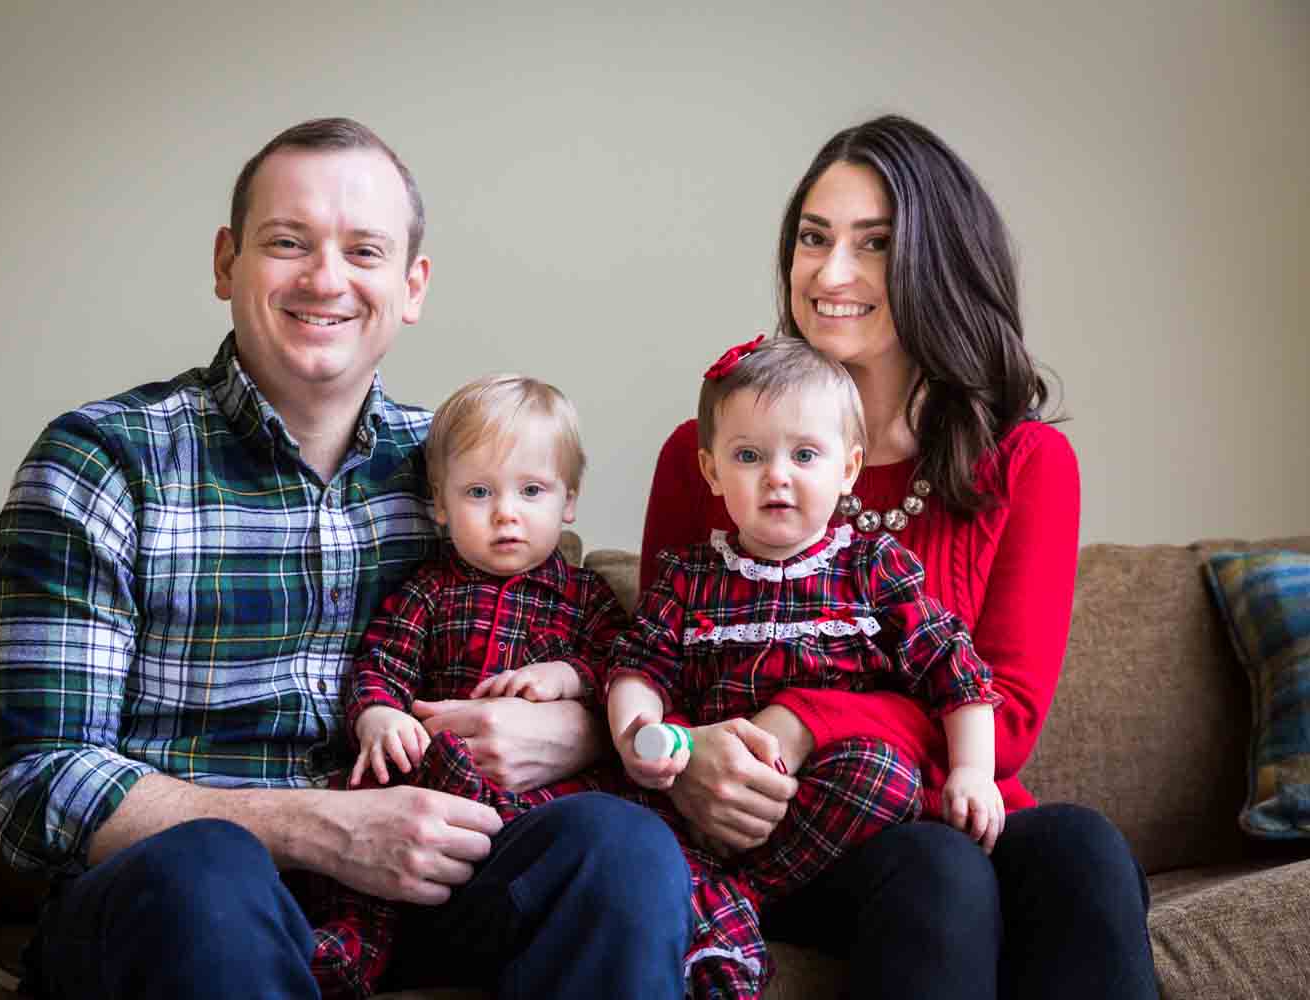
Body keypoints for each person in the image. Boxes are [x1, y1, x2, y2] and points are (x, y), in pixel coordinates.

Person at [0, 117, 690, 1000]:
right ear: (225, 263)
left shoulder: (465, 475)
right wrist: (318, 826)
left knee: (619, 850)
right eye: (287, 243)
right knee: (207, 874)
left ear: (411, 284)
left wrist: (580, 725)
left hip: (421, 893)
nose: (326, 279)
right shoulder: (101, 461)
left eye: (364, 250)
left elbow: (578, 633)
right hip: (176, 905)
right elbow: (37, 785)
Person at [638, 115, 1158, 999]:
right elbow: (659, 656)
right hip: (779, 828)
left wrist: (806, 717)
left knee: (1081, 847)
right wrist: (688, 758)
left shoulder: (1024, 463)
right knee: (937, 868)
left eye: (874, 244)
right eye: (813, 238)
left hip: (948, 802)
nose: (831, 273)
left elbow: (1013, 715)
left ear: (938, 264)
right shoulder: (716, 448)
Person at [608, 334, 1003, 998]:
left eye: (805, 455)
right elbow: (638, 669)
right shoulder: (689, 580)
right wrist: (639, 738)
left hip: (833, 810)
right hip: (715, 800)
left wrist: (972, 772)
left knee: (882, 771)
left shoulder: (874, 571)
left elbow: (955, 672)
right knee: (628, 822)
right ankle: (709, 893)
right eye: (749, 456)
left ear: (848, 469)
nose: (778, 476)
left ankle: (743, 895)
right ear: (710, 471)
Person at [289, 373, 633, 997]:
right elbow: (380, 665)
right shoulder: (429, 590)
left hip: (543, 806)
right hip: (434, 788)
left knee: (620, 834)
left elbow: (628, 669)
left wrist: (572, 676)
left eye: (532, 490)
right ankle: (354, 945)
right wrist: (378, 717)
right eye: (479, 492)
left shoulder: (587, 598)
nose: (506, 513)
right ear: (441, 506)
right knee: (370, 809)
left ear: (569, 500)